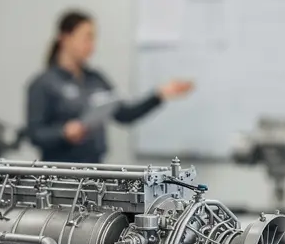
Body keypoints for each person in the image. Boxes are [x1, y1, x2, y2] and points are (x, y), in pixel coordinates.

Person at [25, 10, 194, 163]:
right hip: (61, 172)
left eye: (94, 38)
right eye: (87, 37)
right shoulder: (44, 83)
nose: (92, 45)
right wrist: (64, 133)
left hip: (94, 168)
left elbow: (125, 114)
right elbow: (35, 134)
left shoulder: (95, 79)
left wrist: (159, 94)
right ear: (65, 38)